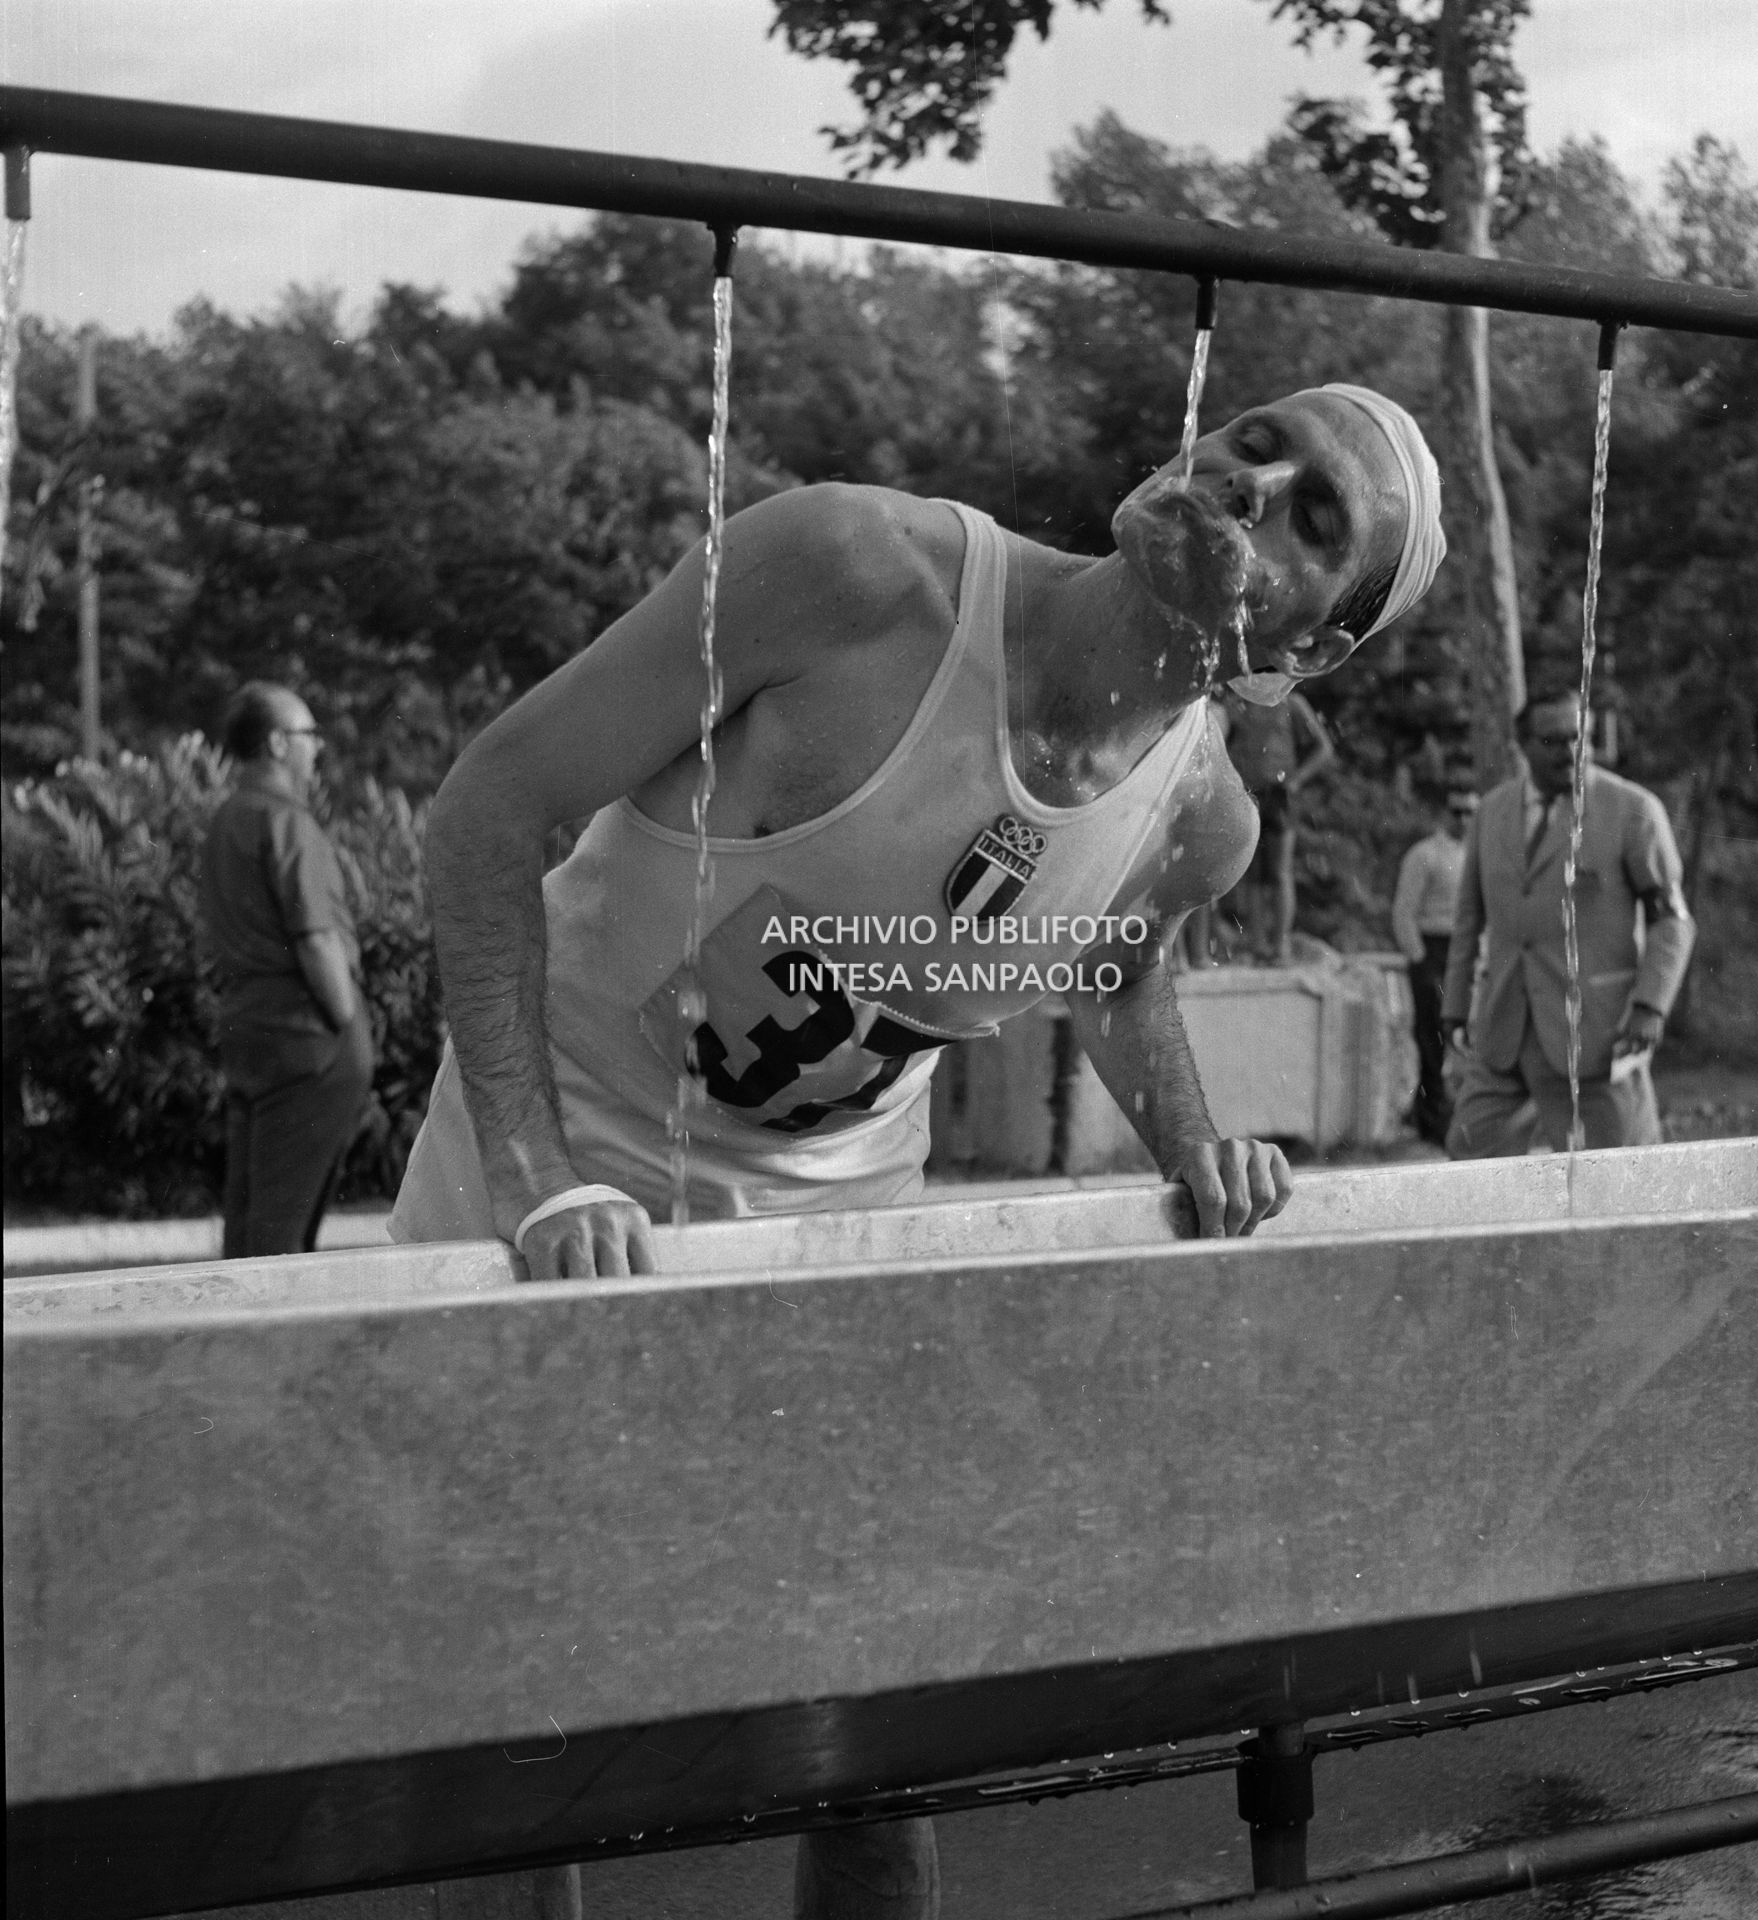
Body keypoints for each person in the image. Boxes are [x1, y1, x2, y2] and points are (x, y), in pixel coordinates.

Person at [393, 383, 1446, 1920]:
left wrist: (1197, 1142)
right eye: (1259, 441)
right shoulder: (853, 572)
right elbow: (486, 810)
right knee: (517, 1717)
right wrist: (536, 1172)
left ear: (1307, 650)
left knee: (876, 1742)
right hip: (568, 1137)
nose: (1252, 482)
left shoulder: (1202, 819)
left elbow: (1118, 961)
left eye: (1314, 516)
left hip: (837, 1215)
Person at [1442, 688, 1694, 1157]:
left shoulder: (1633, 810)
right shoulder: (1490, 814)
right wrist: (1455, 1006)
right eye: (1553, 741)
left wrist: (1651, 1007)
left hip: (1596, 1036)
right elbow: (1468, 921)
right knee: (1468, 1156)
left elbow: (1672, 923)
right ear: (1523, 745)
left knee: (1624, 1174)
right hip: (1505, 1030)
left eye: (1581, 737)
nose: (1571, 751)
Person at [199, 681, 373, 1257]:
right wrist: (346, 1019)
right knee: (281, 1241)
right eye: (307, 735)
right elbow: (317, 938)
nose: (316, 748)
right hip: (311, 1044)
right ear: (277, 744)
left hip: (250, 1035)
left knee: (248, 1225)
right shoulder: (287, 822)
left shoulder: (226, 820)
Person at [1211, 685, 1334, 962]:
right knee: (1251, 871)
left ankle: (1281, 943)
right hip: (1247, 793)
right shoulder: (1238, 703)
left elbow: (1323, 748)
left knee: (1279, 870)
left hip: (1279, 795)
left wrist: (1298, 779)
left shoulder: (1292, 703)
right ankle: (1257, 942)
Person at [1391, 769, 1478, 1142]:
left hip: (1465, 952)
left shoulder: (1478, 855)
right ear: (1445, 813)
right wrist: (1419, 959)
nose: (1463, 820)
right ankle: (1430, 1122)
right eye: (1456, 812)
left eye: (1469, 812)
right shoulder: (1425, 854)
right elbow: (1403, 912)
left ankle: (1459, 1114)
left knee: (1466, 1037)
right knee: (1431, 1038)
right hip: (1431, 951)